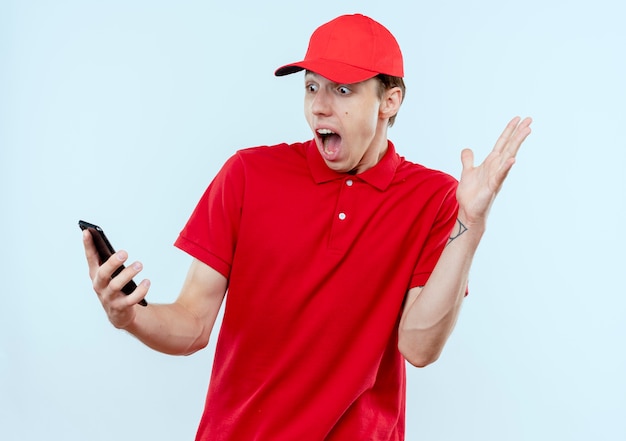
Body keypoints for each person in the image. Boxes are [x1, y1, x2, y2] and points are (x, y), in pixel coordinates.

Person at [82, 13, 531, 441]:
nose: (319, 106)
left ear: (389, 100)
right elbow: (193, 325)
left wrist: (470, 224)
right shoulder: (246, 175)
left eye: (342, 90)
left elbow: (419, 347)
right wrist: (130, 317)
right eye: (311, 87)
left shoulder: (433, 199)